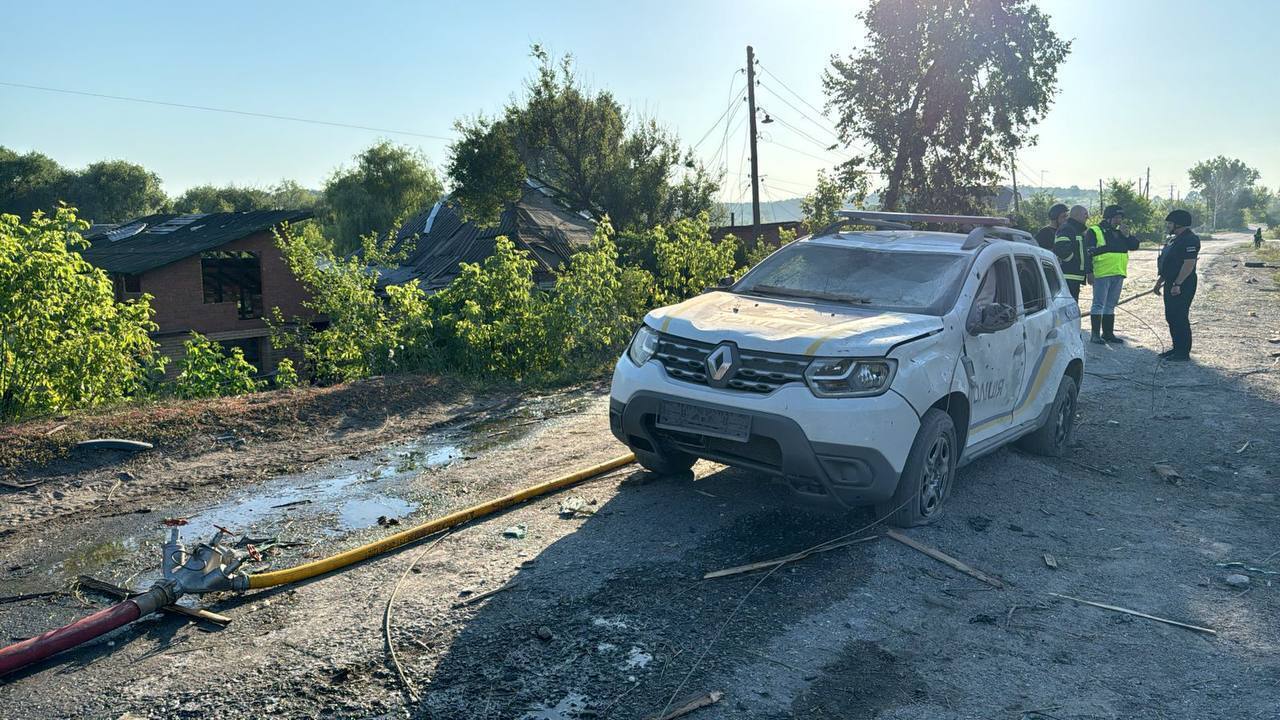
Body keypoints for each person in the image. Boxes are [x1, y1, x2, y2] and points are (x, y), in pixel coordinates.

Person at [1087, 205, 1141, 344]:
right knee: (1098, 304)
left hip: (1118, 272)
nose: (1119, 220)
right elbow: (1088, 253)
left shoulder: (1120, 232)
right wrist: (1089, 272)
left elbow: (1135, 246)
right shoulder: (1095, 230)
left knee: (1110, 305)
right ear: (1108, 217)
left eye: (1121, 218)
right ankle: (1095, 335)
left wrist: (1127, 235)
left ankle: (1108, 333)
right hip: (1102, 272)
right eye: (1117, 217)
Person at [1154, 209, 1200, 361]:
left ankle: (1183, 352)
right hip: (1171, 282)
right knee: (1171, 316)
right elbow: (1168, 264)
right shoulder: (1175, 239)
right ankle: (1176, 348)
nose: (1168, 225)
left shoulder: (1190, 240)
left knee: (1180, 317)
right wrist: (1160, 282)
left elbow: (1189, 264)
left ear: (1179, 224)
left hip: (1183, 284)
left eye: (1170, 223)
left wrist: (1177, 283)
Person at [1054, 205, 1092, 301]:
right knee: (1070, 308)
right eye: (1085, 214)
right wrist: (1074, 262)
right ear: (1076, 215)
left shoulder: (1076, 229)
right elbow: (1060, 248)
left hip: (1074, 277)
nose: (1087, 217)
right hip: (1068, 277)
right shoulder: (1068, 228)